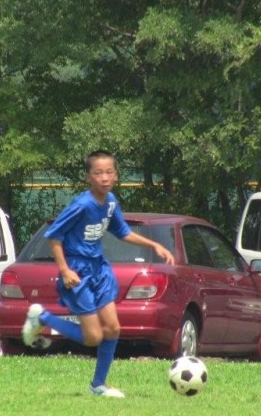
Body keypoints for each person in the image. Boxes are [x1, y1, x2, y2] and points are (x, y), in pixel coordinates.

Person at [21, 150, 174, 398]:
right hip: (78, 271)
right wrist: (65, 270)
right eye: (98, 173)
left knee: (112, 328)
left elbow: (123, 232)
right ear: (88, 177)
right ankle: (43, 318)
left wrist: (153, 245)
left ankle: (98, 385)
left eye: (109, 172)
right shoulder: (82, 205)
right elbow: (54, 236)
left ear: (116, 175)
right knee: (93, 337)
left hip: (99, 269)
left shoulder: (110, 201)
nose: (104, 177)